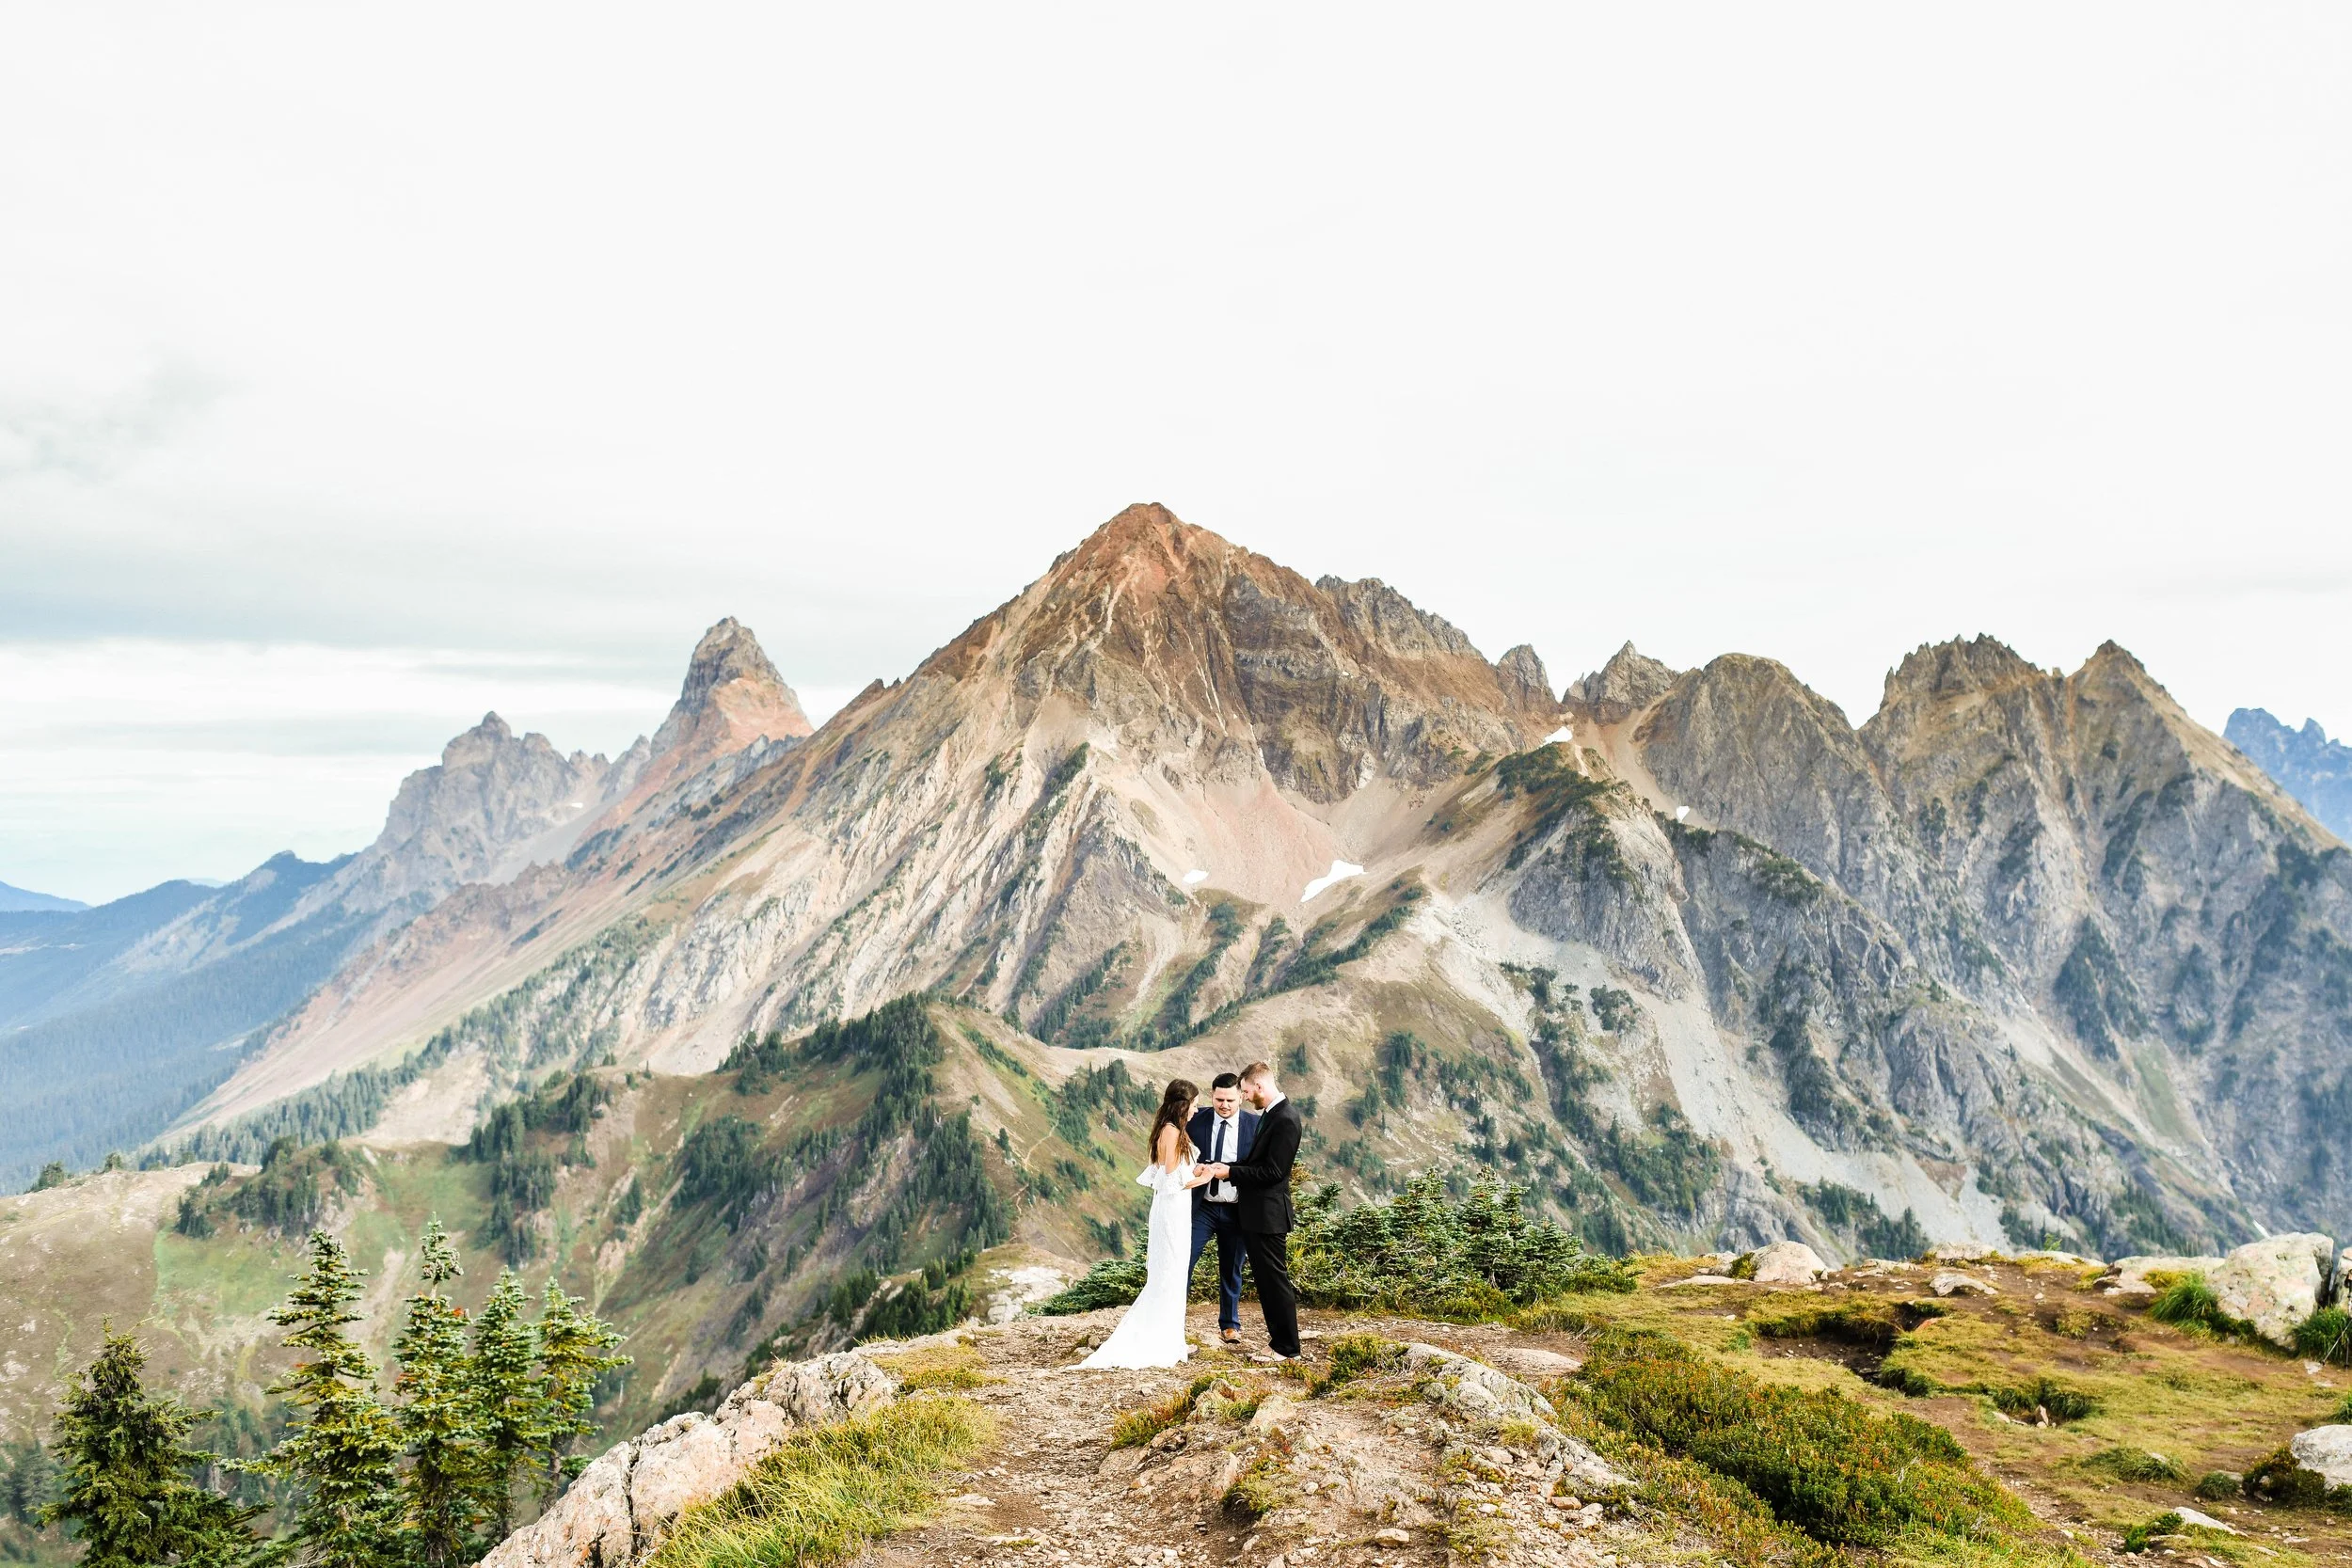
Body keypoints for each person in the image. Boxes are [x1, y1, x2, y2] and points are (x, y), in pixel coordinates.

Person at [1079, 1079, 1213, 1370]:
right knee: (1170, 1270)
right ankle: (1163, 1337)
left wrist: (1196, 1171)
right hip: (1173, 1208)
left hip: (1174, 1207)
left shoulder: (1171, 1130)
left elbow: (1173, 1171)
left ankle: (1171, 1335)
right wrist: (1204, 1178)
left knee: (1174, 1271)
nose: (1197, 1110)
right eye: (1195, 1105)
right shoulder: (1172, 1131)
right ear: (1183, 1106)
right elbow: (1172, 1179)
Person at [1200, 1059, 1302, 1360]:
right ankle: (1279, 1343)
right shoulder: (1273, 1114)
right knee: (1268, 1283)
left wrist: (1228, 1174)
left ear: (1259, 1086)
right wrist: (1227, 1167)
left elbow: (1273, 1172)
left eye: (1245, 1091)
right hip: (1257, 1215)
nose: (1243, 1097)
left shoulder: (1285, 1118)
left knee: (1275, 1282)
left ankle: (1286, 1347)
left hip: (1268, 1215)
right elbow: (1257, 1163)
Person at [1186, 1072, 1260, 1346]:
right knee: (1185, 1260)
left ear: (1241, 1096)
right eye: (1219, 1099)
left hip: (1236, 1208)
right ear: (1212, 1096)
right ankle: (1174, 1319)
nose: (1224, 1105)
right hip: (1202, 1207)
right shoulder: (1196, 1120)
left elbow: (1258, 1167)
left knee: (1231, 1268)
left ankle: (1230, 1325)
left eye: (1230, 1099)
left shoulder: (1255, 1125)